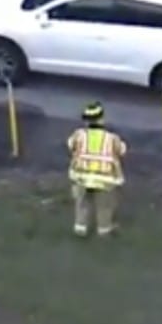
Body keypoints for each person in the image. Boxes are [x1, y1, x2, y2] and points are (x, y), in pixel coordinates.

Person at [66, 101, 127, 238]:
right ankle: (104, 230)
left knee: (82, 204)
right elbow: (122, 150)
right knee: (104, 206)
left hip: (82, 177)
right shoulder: (111, 138)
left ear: (86, 121)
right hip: (104, 179)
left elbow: (70, 145)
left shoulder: (79, 135)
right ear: (102, 118)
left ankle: (80, 229)